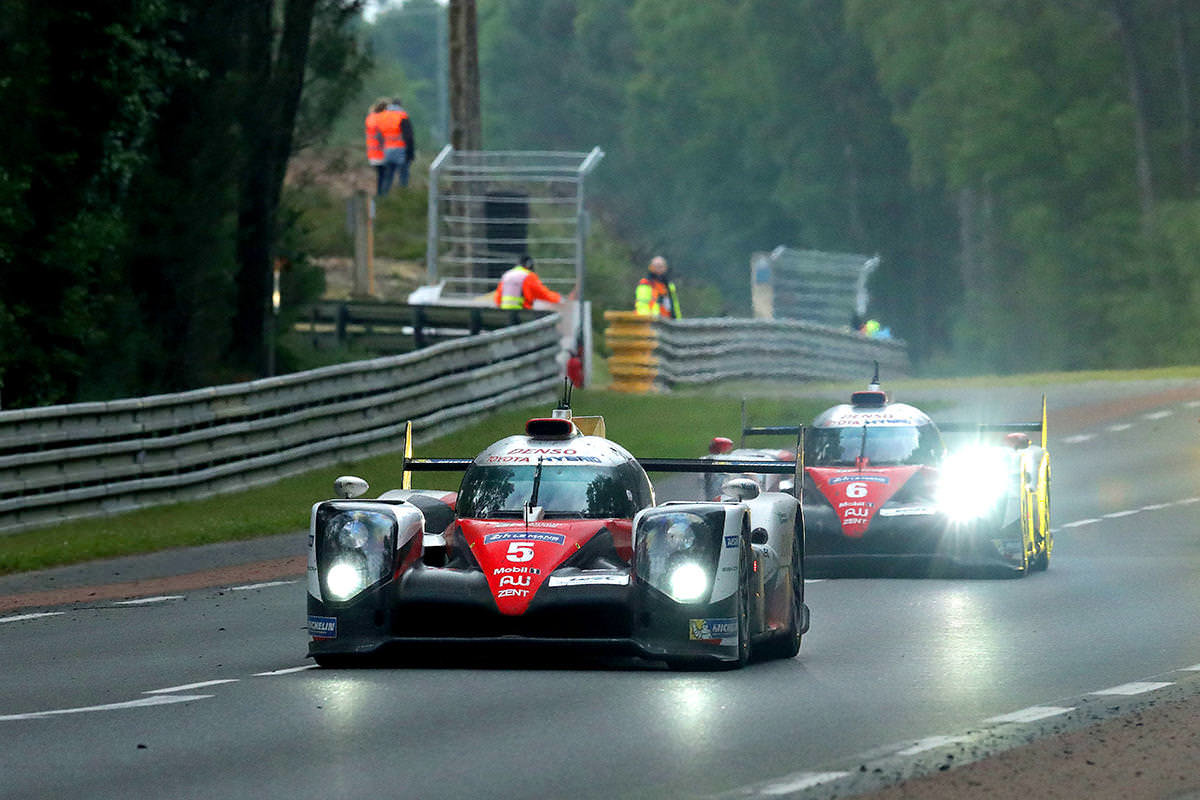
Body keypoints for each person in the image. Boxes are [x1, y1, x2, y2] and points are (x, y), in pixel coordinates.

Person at [494, 255, 571, 309]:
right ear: (529, 265)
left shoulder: (507, 275)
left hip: (505, 314)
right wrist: (560, 299)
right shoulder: (528, 276)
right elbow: (543, 294)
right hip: (523, 313)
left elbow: (498, 299)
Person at [374, 97, 416, 196]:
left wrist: (382, 150)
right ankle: (403, 197)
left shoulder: (383, 116)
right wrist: (410, 153)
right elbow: (409, 137)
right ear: (400, 105)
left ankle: (384, 199)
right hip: (401, 151)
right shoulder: (402, 116)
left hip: (387, 151)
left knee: (388, 177)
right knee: (403, 176)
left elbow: (379, 136)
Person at [364, 99, 388, 196]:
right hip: (381, 153)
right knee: (383, 175)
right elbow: (381, 137)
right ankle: (382, 194)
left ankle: (380, 193)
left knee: (380, 175)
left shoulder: (370, 118)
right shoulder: (382, 119)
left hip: (372, 153)